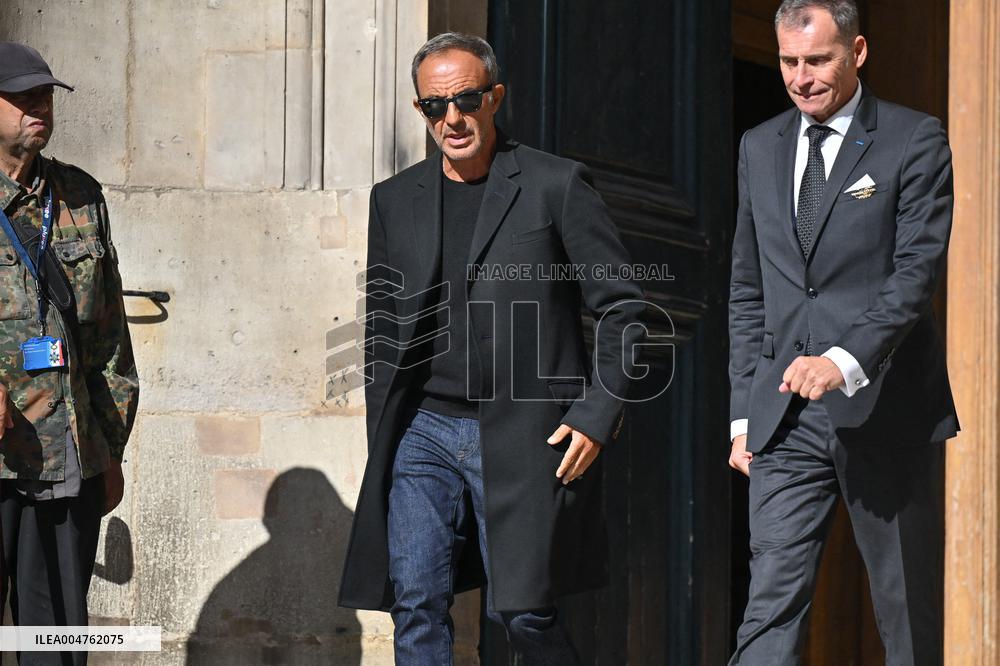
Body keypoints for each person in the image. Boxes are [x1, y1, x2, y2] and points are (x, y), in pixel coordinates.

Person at [338, 32, 645, 664]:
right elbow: (384, 325)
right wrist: (385, 426)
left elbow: (626, 311)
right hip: (421, 428)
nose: (452, 118)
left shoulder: (555, 185)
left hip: (526, 432)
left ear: (494, 97)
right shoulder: (393, 201)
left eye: (466, 100)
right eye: (433, 107)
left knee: (522, 612)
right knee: (415, 602)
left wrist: (595, 414)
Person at [727, 1, 958, 663]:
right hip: (783, 418)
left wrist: (844, 358)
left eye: (818, 60)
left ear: (856, 53)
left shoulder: (914, 140)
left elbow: (916, 275)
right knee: (768, 612)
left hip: (885, 408)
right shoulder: (759, 145)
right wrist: (743, 416)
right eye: (788, 62)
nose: (801, 78)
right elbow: (749, 288)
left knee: (907, 619)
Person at [0, 42, 139, 665]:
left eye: (44, 94)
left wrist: (110, 448)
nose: (39, 105)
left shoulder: (79, 195)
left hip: (65, 458)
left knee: (54, 642)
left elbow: (107, 338)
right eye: (22, 95)